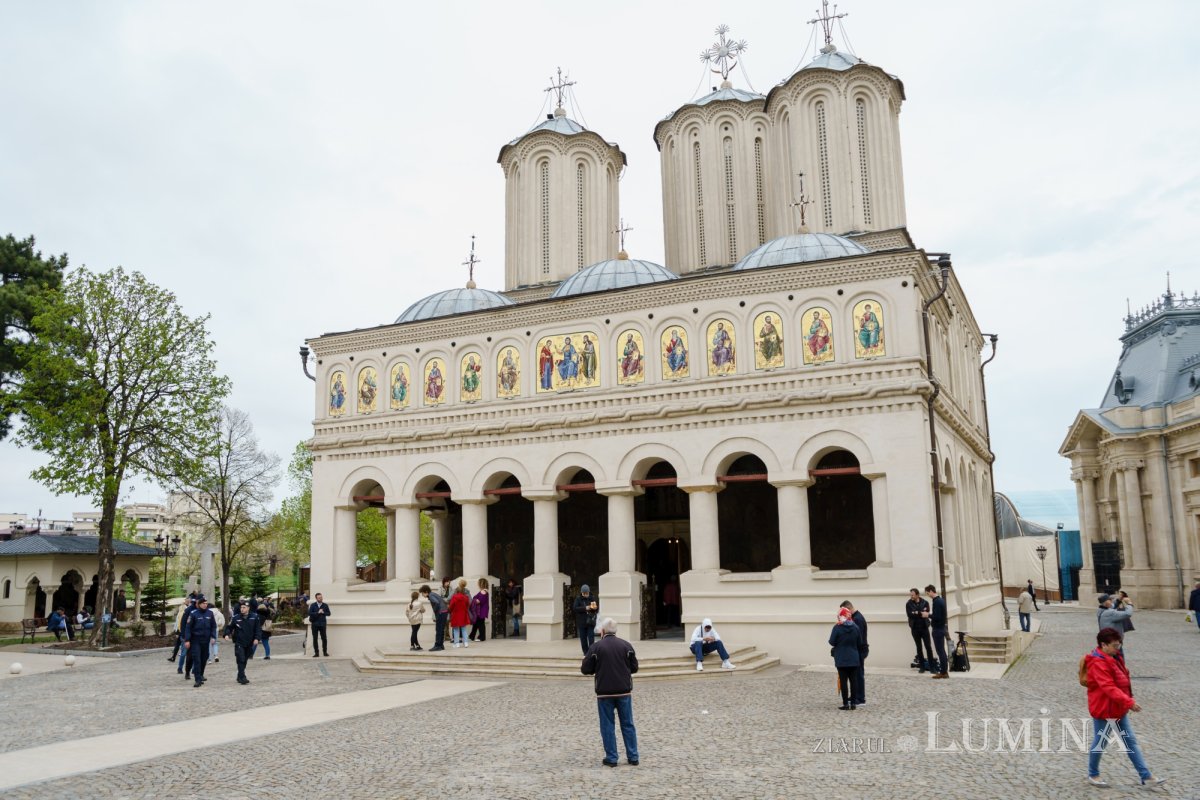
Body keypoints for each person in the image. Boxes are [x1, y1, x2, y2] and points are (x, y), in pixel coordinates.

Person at [1084, 627, 1166, 788]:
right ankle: (1093, 774)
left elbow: (1123, 682)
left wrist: (1127, 700)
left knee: (1130, 742)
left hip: (1118, 708)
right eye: (1115, 645)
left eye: (1119, 645)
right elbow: (1108, 687)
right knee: (1100, 742)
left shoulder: (1114, 657)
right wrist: (1129, 702)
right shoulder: (1098, 662)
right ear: (1103, 644)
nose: (1118, 648)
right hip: (1104, 710)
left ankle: (1146, 776)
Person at [580, 617, 639, 767]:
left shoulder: (596, 647)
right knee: (628, 724)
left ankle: (612, 758)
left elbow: (585, 669)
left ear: (603, 631)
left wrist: (597, 669)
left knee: (607, 725)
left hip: (605, 692)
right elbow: (634, 667)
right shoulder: (626, 646)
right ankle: (633, 756)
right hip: (624, 690)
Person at [828, 608, 863, 710]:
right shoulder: (855, 627)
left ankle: (845, 704)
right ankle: (853, 703)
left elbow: (831, 642)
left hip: (841, 658)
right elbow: (859, 642)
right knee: (854, 681)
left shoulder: (837, 627)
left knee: (843, 682)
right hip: (854, 658)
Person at [223, 600, 261, 685]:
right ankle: (243, 677)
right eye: (241, 607)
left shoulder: (254, 617)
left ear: (248, 608)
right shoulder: (236, 617)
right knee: (241, 659)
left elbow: (258, 629)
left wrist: (257, 638)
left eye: (244, 607)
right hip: (239, 642)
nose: (242, 609)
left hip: (250, 642)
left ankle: (239, 675)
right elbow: (229, 627)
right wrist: (226, 634)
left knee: (245, 660)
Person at [183, 596, 217, 688]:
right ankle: (197, 679)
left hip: (205, 640)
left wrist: (213, 636)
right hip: (195, 640)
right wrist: (187, 640)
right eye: (203, 603)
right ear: (199, 604)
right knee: (197, 659)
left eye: (206, 603)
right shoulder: (193, 614)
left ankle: (201, 674)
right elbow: (188, 628)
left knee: (204, 658)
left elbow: (213, 626)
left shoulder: (210, 613)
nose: (205, 605)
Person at [839, 600, 868, 706]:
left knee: (858, 675)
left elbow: (857, 637)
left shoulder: (857, 619)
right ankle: (856, 696)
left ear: (849, 609)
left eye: (845, 611)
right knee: (856, 674)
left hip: (859, 650)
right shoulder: (856, 617)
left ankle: (860, 698)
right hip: (857, 649)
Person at [905, 588, 935, 673]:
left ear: (917, 595)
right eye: (910, 595)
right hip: (915, 628)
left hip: (924, 628)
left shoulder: (925, 602)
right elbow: (910, 614)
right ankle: (922, 667)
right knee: (919, 648)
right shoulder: (908, 604)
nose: (911, 596)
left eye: (913, 595)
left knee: (928, 647)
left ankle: (932, 667)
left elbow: (926, 613)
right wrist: (919, 612)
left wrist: (916, 612)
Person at [925, 585, 949, 679]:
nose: (927, 595)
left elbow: (938, 617)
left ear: (931, 591)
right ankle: (944, 671)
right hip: (941, 628)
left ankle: (943, 672)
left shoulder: (937, 602)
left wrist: (928, 615)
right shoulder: (940, 600)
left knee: (940, 651)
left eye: (927, 593)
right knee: (941, 651)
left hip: (938, 629)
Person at [420, 584, 449, 651]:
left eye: (422, 593)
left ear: (426, 591)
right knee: (441, 629)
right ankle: (441, 645)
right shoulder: (433, 594)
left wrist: (435, 611)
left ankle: (437, 646)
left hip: (441, 613)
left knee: (438, 629)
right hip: (444, 612)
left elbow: (436, 603)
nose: (422, 595)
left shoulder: (430, 595)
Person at [574, 585, 598, 655]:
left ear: (588, 592)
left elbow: (596, 608)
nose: (585, 595)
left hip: (590, 621)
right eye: (583, 593)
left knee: (591, 637)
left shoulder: (592, 598)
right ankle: (585, 652)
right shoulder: (578, 599)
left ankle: (591, 651)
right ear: (581, 593)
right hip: (582, 622)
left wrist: (594, 608)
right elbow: (575, 608)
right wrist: (585, 608)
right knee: (583, 638)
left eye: (586, 593)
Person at [449, 580, 471, 648]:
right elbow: (468, 605)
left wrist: (450, 611)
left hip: (455, 614)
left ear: (456, 591)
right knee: (464, 629)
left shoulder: (454, 597)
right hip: (463, 614)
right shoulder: (466, 597)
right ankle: (466, 643)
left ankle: (457, 643)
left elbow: (451, 606)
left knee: (456, 629)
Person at [308, 592, 331, 657]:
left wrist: (323, 612)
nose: (321, 598)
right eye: (319, 598)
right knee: (315, 639)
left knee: (324, 638)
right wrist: (317, 612)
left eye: (321, 597)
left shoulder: (325, 605)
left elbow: (329, 613)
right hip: (314, 624)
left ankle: (325, 652)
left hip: (322, 624)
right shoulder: (313, 605)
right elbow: (309, 613)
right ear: (316, 598)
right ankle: (316, 653)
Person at [469, 578, 490, 642]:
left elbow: (479, 601)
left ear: (481, 584)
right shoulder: (485, 591)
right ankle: (472, 636)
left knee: (480, 624)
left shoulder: (483, 591)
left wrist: (474, 599)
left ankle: (482, 637)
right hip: (482, 610)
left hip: (480, 610)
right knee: (476, 623)